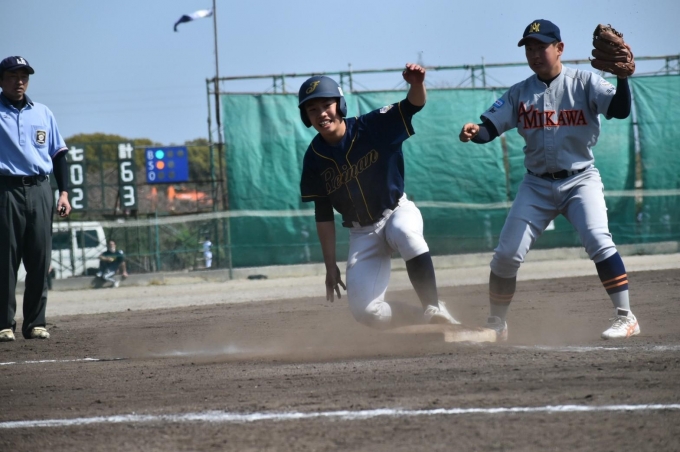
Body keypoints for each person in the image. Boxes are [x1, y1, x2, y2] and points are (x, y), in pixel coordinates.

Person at [458, 19, 639, 341]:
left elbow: (621, 110)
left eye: (541, 47)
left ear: (559, 48)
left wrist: (623, 80)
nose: (534, 54)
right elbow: (490, 128)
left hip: (580, 179)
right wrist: (476, 132)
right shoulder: (520, 92)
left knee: (599, 240)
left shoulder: (585, 82)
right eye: (529, 48)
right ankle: (497, 323)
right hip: (536, 185)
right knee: (506, 255)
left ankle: (626, 317)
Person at [298, 64, 459, 329]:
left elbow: (413, 105)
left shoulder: (372, 126)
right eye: (312, 109)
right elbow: (323, 213)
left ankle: (432, 306)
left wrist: (417, 84)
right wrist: (330, 265)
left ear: (340, 105)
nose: (321, 114)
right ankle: (423, 316)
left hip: (396, 211)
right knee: (368, 313)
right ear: (306, 116)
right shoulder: (314, 157)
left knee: (406, 233)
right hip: (362, 233)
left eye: (327, 105)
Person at [0, 56, 71, 342]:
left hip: (41, 188)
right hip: (6, 189)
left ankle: (35, 323)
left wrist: (64, 192)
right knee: (5, 259)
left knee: (40, 259)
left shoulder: (42, 112)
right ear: (1, 80)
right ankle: (4, 324)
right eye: (13, 76)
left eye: (24, 76)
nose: (19, 81)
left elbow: (59, 154)